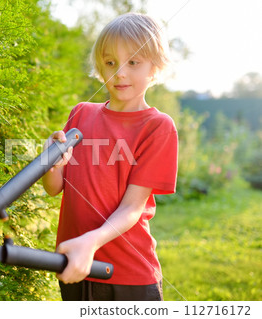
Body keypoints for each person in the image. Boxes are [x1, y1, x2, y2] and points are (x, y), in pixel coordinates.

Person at [42, 12, 178, 301]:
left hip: (129, 274)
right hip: (75, 264)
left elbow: (132, 208)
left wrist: (90, 243)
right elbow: (54, 187)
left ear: (154, 68)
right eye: (110, 62)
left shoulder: (157, 126)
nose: (120, 73)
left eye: (133, 62)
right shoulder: (81, 113)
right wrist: (49, 159)